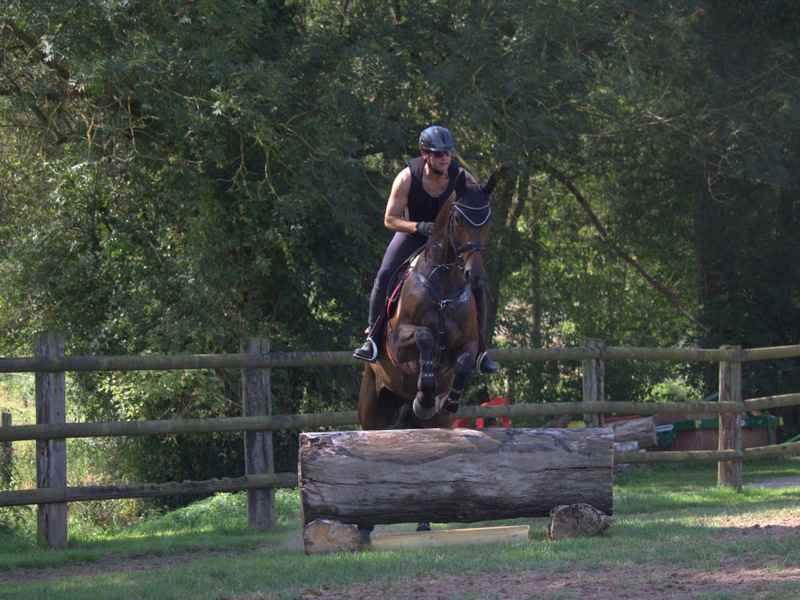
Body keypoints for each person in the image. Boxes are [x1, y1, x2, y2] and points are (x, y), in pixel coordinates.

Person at [353, 125, 499, 374]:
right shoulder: (407, 178)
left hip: (449, 241)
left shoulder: (462, 177)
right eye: (439, 154)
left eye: (448, 153)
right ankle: (373, 339)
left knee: (477, 280)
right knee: (385, 273)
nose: (445, 158)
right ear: (425, 154)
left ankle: (482, 350)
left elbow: (475, 203)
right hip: (413, 233)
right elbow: (390, 219)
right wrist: (418, 226)